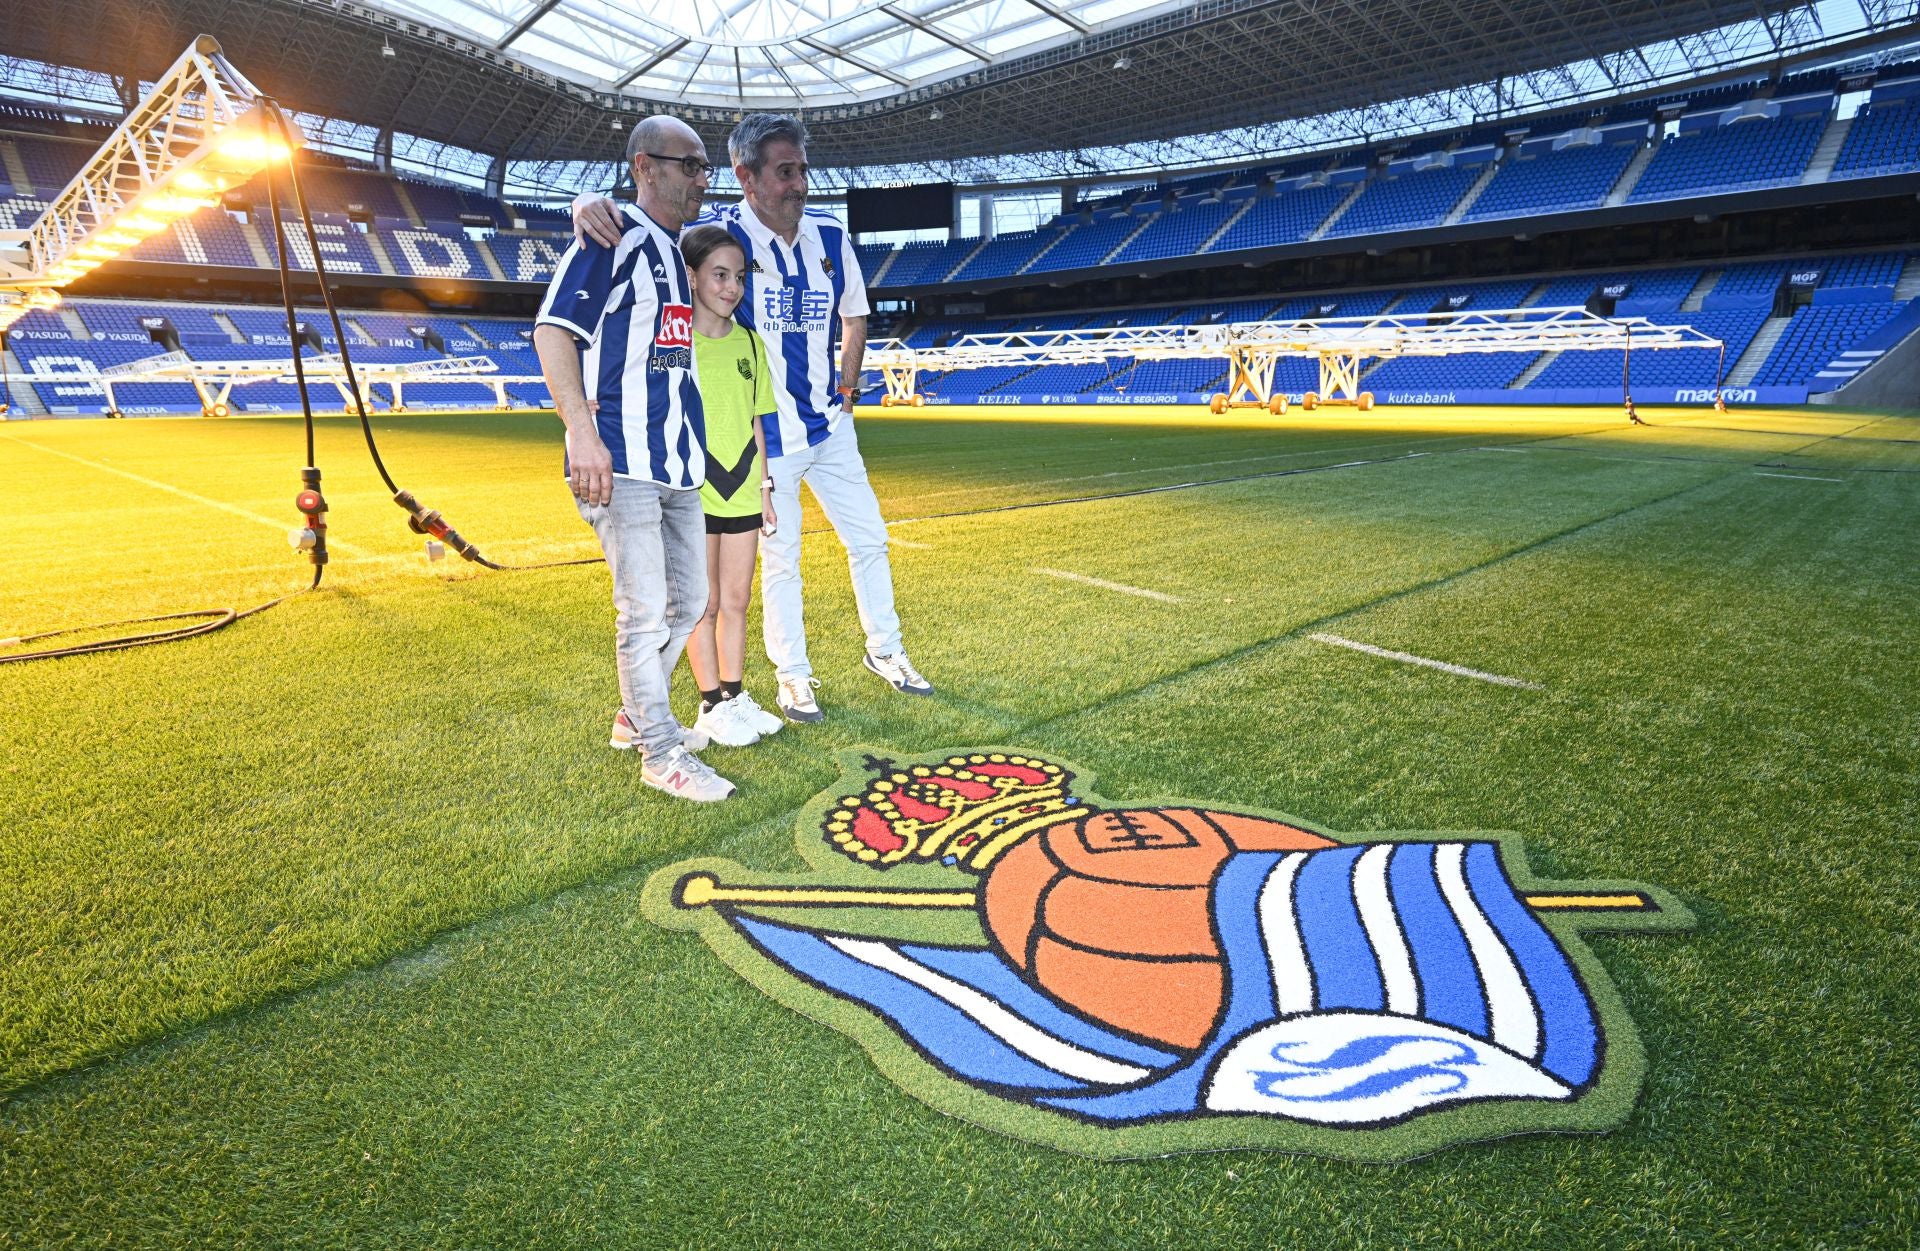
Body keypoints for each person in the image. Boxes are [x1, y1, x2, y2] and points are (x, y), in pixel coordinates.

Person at [576, 114, 932, 725]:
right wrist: (585, 204)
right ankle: (793, 678)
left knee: (870, 539)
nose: (800, 184)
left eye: (802, 171)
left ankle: (887, 651)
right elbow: (650, 226)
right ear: (745, 177)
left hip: (830, 426)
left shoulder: (831, 239)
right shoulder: (721, 238)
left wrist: (845, 389)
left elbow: (855, 317)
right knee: (782, 560)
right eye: (785, 172)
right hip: (768, 435)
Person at [534, 115, 735, 802]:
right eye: (690, 165)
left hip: (680, 463)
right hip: (621, 461)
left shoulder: (677, 252)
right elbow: (554, 330)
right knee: (645, 611)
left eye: (707, 166)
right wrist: (581, 432)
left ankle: (634, 715)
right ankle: (660, 752)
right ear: (645, 167)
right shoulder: (611, 236)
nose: (702, 178)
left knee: (691, 602)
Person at [677, 223, 786, 747]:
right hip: (693, 490)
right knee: (705, 601)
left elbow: (759, 420)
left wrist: (765, 489)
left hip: (743, 486)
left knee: (738, 598)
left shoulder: (749, 342)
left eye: (739, 277)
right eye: (720, 274)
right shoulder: (674, 342)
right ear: (693, 276)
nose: (732, 287)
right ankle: (710, 704)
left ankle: (735, 695)